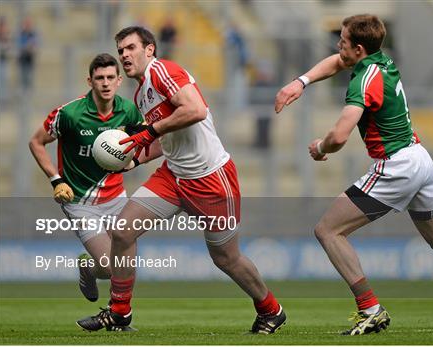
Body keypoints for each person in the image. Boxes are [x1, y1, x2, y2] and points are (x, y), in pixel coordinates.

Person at [275, 14, 433, 335]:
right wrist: (301, 82)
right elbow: (337, 62)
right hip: (420, 160)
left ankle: (371, 309)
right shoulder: (382, 61)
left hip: (396, 166)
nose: (338, 45)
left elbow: (339, 136)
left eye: (343, 40)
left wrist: (321, 147)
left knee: (328, 231)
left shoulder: (363, 79)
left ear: (359, 48)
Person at [77, 26, 286, 334]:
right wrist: (136, 158)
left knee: (226, 258)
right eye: (120, 50)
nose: (124, 55)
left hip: (210, 178)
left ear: (149, 50)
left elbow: (196, 110)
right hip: (173, 177)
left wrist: (147, 133)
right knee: (121, 232)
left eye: (130, 47)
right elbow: (167, 136)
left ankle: (271, 310)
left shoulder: (163, 70)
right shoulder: (140, 91)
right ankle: (119, 313)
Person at [29, 54, 143, 315]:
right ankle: (89, 268)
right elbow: (36, 142)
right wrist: (55, 180)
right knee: (108, 267)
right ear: (89, 80)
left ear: (119, 81)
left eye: (110, 78)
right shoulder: (69, 113)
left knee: (126, 261)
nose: (105, 83)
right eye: (99, 78)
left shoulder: (128, 110)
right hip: (79, 200)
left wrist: (134, 160)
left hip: (116, 196)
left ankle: (118, 314)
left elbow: (147, 138)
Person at [17, 17, 38, 91]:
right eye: (26, 24)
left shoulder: (33, 34)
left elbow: (36, 44)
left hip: (30, 59)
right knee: (22, 78)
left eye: (29, 24)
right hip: (22, 59)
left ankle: (28, 95)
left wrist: (32, 48)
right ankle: (23, 95)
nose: (28, 26)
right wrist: (26, 47)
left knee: (30, 78)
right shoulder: (21, 34)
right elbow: (18, 45)